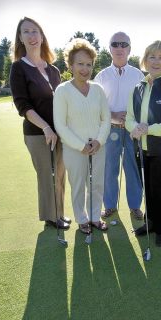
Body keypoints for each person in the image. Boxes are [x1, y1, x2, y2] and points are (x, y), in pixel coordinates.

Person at [9, 17, 70, 230]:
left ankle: (60, 213)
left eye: (35, 31)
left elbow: (63, 102)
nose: (32, 36)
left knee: (60, 173)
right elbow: (22, 106)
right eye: (26, 32)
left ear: (42, 36)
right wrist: (45, 127)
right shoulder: (18, 68)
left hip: (60, 132)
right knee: (47, 174)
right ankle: (51, 217)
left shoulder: (53, 70)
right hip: (37, 133)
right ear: (20, 38)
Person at [126, 40, 161, 247]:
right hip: (142, 149)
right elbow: (130, 117)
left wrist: (146, 129)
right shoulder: (138, 87)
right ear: (145, 60)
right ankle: (149, 223)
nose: (156, 61)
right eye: (152, 56)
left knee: (159, 190)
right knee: (147, 190)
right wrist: (135, 128)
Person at [53, 38, 111, 234]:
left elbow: (106, 118)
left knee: (97, 184)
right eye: (80, 64)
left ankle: (95, 216)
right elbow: (61, 125)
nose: (85, 69)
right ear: (70, 65)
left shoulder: (98, 89)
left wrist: (98, 141)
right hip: (74, 149)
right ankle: (82, 218)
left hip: (98, 147)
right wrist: (80, 146)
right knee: (78, 185)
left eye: (89, 64)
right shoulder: (62, 91)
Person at [95, 32, 144, 221]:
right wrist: (113, 115)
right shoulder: (101, 76)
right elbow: (97, 106)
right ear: (110, 49)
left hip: (132, 132)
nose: (119, 47)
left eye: (124, 44)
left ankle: (134, 206)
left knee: (133, 169)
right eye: (115, 44)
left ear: (129, 49)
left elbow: (142, 103)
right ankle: (109, 206)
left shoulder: (138, 74)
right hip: (110, 131)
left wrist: (132, 118)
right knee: (110, 170)